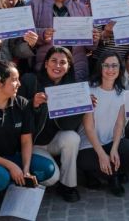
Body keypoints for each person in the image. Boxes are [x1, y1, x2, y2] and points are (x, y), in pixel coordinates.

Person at [0, 61, 56, 217]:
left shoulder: (21, 104)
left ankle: (10, 189)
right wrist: (10, 166)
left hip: (13, 157)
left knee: (47, 169)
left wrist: (26, 169)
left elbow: (26, 140)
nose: (19, 84)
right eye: (14, 80)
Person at [18, 46, 84, 203]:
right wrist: (32, 105)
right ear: (46, 63)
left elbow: (68, 126)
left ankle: (68, 185)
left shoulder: (71, 88)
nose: (58, 66)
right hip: (30, 145)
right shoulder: (29, 80)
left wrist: (83, 107)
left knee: (72, 137)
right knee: (51, 177)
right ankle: (43, 174)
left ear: (68, 67)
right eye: (54, 61)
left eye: (63, 62)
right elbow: (16, 113)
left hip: (53, 141)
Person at [77, 51, 129, 197]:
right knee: (88, 161)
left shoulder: (122, 93)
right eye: (106, 65)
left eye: (114, 65)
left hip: (110, 141)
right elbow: (89, 127)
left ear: (119, 68)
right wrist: (102, 154)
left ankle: (112, 175)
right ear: (100, 67)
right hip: (90, 144)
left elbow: (119, 124)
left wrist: (114, 149)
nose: (111, 70)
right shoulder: (90, 90)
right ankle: (109, 176)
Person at [23, 0, 100, 81]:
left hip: (76, 66)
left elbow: (90, 47)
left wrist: (94, 38)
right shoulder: (34, 4)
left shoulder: (81, 7)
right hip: (47, 66)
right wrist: (42, 34)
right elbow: (24, 33)